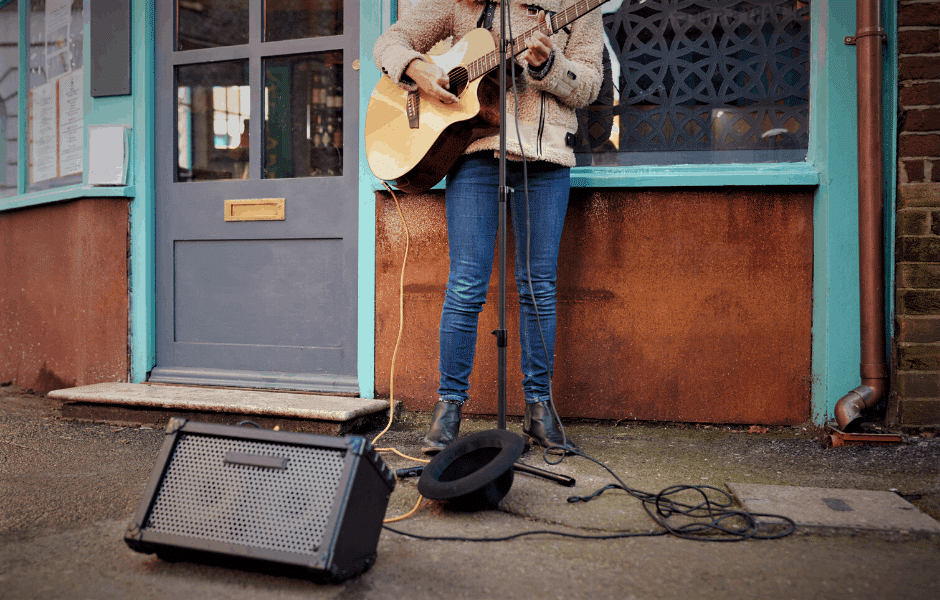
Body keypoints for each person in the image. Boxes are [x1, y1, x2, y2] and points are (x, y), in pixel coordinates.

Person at [373, 0, 604, 455]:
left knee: (538, 285)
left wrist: (550, 67)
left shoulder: (577, 5)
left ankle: (539, 408)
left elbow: (590, 85)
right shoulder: (463, 2)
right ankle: (449, 406)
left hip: (547, 157)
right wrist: (419, 70)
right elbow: (390, 42)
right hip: (476, 153)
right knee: (465, 283)